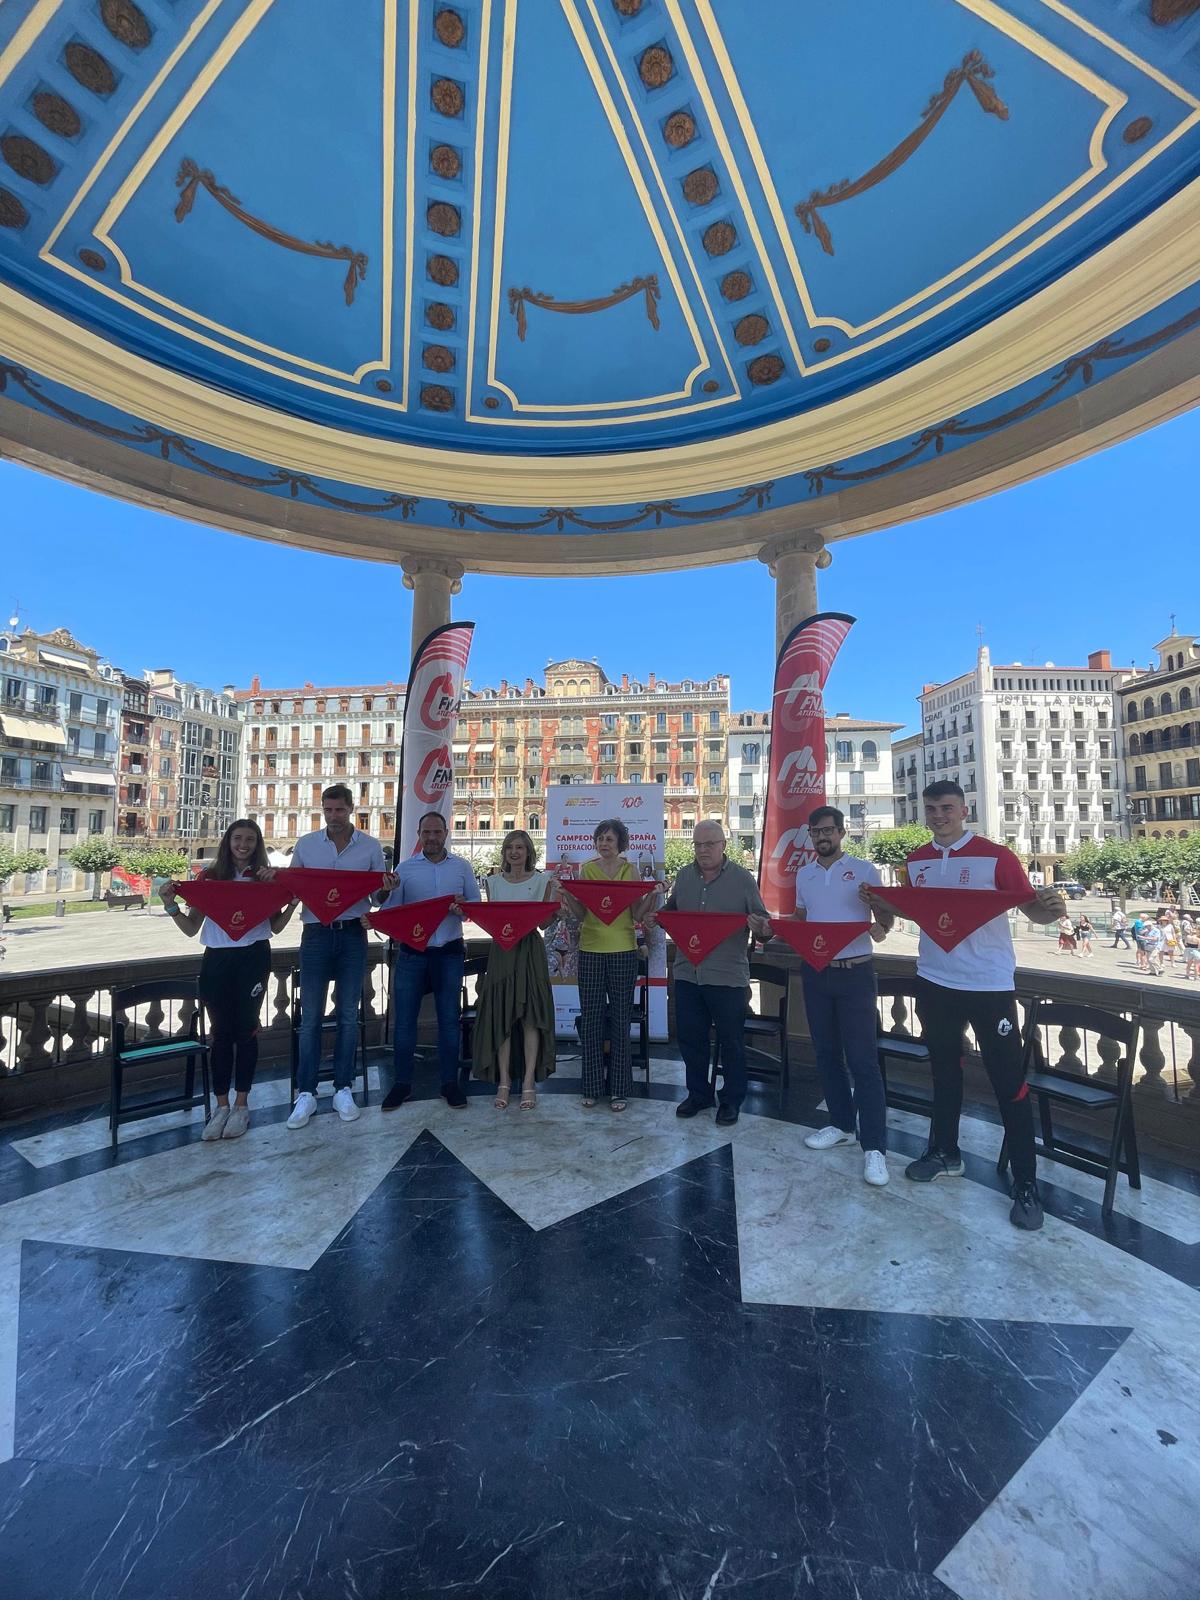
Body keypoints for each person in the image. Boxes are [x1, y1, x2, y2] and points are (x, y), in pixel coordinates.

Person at [862, 780, 1065, 1231]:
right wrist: (884, 901)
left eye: (946, 808)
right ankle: (945, 1152)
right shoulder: (916, 860)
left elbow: (1032, 910)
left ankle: (1025, 1183)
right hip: (935, 980)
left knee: (1008, 1082)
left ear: (964, 810)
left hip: (989, 984)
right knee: (943, 1073)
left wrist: (1052, 908)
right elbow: (920, 913)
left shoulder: (998, 857)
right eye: (931, 808)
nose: (938, 816)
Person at [160, 819, 298, 1141]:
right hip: (217, 958)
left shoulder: (265, 878)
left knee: (247, 1031)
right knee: (220, 1033)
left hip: (254, 956)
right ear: (228, 841)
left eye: (250, 839)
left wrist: (291, 901)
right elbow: (191, 928)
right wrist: (170, 906)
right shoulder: (209, 877)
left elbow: (276, 927)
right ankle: (221, 1106)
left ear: (257, 844)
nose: (243, 845)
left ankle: (241, 1105)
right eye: (238, 838)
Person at [789, 806, 893, 1184]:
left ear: (841, 832)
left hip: (856, 974)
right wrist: (773, 927)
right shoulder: (804, 874)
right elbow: (802, 920)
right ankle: (842, 1124)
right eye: (815, 831)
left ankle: (875, 1147)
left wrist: (879, 918)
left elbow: (885, 921)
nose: (822, 837)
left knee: (863, 1061)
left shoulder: (865, 870)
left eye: (828, 830)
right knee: (826, 1053)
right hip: (817, 973)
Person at [644, 821, 771, 1128]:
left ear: (723, 845)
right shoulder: (685, 876)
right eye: (698, 845)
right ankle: (698, 1094)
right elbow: (673, 911)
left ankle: (731, 1099)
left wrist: (762, 928)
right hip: (688, 973)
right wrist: (657, 917)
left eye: (709, 844)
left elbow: (764, 924)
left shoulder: (742, 879)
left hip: (727, 975)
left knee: (731, 1042)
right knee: (691, 1039)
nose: (703, 850)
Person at [283, 785, 393, 1129]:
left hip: (352, 934)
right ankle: (306, 1092)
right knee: (311, 1018)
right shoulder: (306, 845)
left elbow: (376, 899)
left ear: (351, 809)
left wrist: (386, 889)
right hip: (316, 934)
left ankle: (343, 1087)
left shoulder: (371, 847)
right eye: (328, 810)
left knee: (348, 1015)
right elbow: (292, 888)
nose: (334, 816)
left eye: (339, 810)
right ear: (323, 810)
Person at [380, 811, 480, 1110]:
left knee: (449, 1021)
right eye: (427, 833)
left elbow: (475, 906)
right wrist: (385, 895)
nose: (432, 838)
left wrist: (464, 908)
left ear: (446, 833)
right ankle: (402, 1084)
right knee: (404, 1022)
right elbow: (391, 912)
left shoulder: (462, 867)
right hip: (412, 952)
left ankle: (449, 1083)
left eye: (437, 832)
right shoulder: (405, 869)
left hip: (449, 951)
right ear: (419, 835)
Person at [558, 819, 655, 1112]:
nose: (604, 843)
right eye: (600, 838)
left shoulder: (630, 871)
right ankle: (591, 1086)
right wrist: (567, 894)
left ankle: (619, 1090)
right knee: (591, 1020)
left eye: (609, 839)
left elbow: (637, 913)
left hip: (623, 950)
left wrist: (652, 894)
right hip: (590, 950)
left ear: (620, 843)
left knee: (621, 1020)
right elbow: (581, 914)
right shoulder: (587, 870)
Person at [471, 829, 558, 1109]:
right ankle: (505, 1080)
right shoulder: (493, 882)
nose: (514, 852)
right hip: (503, 951)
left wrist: (555, 905)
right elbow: (492, 919)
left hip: (530, 950)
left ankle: (530, 1080)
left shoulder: (543, 881)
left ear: (529, 852)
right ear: (505, 852)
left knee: (530, 1016)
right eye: (510, 847)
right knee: (503, 1015)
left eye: (520, 847)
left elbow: (544, 924)